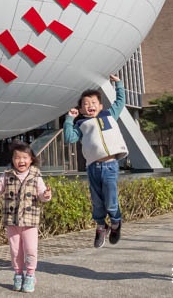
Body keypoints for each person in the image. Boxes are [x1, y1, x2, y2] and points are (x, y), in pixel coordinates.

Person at [62, 74, 129, 248]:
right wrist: (69, 119)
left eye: (93, 103)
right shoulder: (81, 124)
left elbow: (120, 101)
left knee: (111, 200)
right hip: (93, 167)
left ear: (100, 105)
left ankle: (115, 223)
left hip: (110, 165)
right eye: (85, 104)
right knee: (97, 201)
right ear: (81, 109)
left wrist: (118, 84)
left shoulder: (109, 115)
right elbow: (69, 138)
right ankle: (101, 226)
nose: (90, 106)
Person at [0, 141, 53, 293]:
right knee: (15, 250)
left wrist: (46, 195)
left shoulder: (36, 175)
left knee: (30, 249)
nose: (21, 161)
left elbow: (42, 195)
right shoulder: (7, 175)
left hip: (30, 221)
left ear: (31, 159)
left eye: (25, 157)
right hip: (12, 220)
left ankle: (31, 275)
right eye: (17, 157)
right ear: (12, 160)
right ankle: (18, 275)